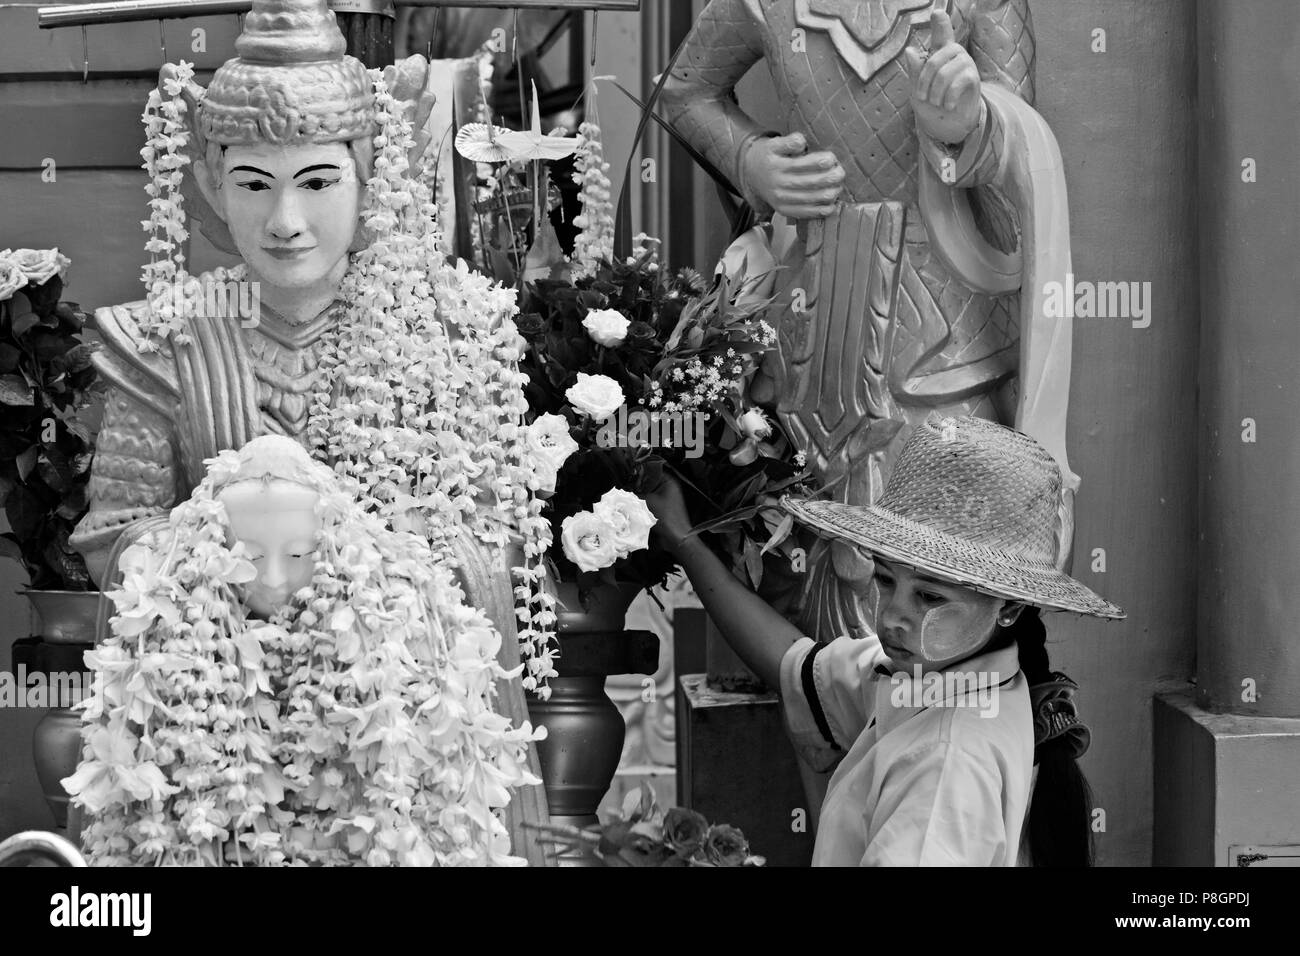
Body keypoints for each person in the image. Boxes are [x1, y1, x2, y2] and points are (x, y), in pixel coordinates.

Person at [646, 414, 1124, 866]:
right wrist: (686, 542)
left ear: (1010, 607)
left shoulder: (945, 759)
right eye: (886, 580)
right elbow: (796, 665)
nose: (894, 616)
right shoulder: (937, 678)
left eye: (930, 597)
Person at [65, 435, 539, 867]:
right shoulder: (178, 649)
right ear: (208, 554)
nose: (272, 579)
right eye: (248, 556)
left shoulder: (386, 635)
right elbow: (108, 530)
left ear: (333, 549)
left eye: (297, 555)